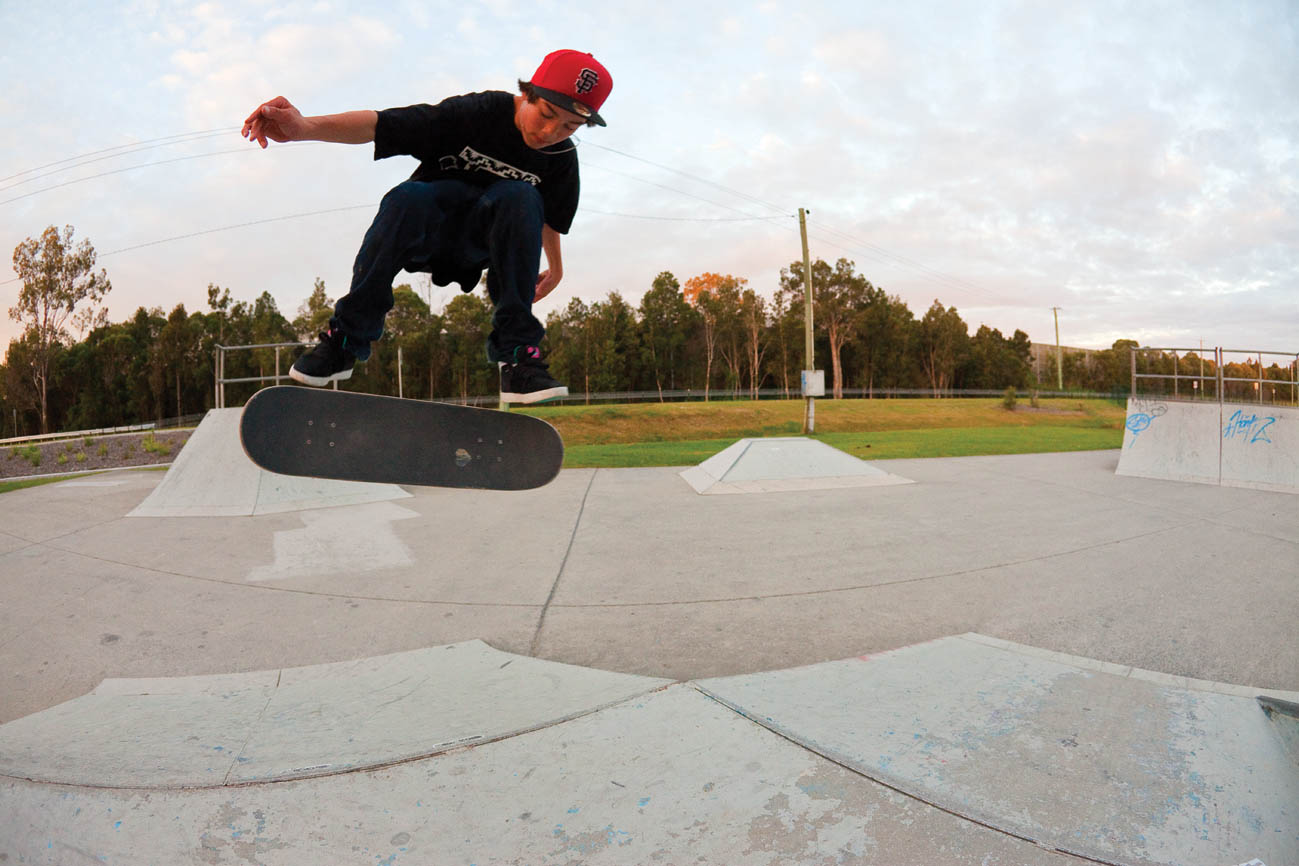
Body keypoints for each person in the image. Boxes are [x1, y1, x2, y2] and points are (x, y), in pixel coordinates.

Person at [241, 49, 612, 404]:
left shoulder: (562, 157)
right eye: (546, 114)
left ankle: (518, 358)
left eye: (570, 126)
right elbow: (382, 124)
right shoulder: (477, 113)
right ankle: (345, 340)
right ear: (527, 93)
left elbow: (552, 217)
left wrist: (557, 269)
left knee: (521, 196)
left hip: (483, 243)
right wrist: (304, 128)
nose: (550, 132)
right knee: (407, 197)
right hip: (427, 230)